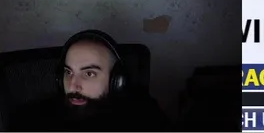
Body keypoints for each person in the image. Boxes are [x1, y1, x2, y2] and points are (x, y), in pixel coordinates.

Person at [7, 30, 170, 131]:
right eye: (68, 72)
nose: (73, 86)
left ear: (117, 81)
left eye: (89, 74)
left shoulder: (144, 116)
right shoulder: (31, 120)